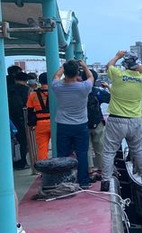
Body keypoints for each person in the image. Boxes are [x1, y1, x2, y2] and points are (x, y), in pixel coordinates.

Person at [101, 50, 142, 192]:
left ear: (125, 65)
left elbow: (109, 66)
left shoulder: (118, 75)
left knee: (109, 152)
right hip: (135, 120)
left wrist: (117, 56)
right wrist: (135, 60)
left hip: (117, 120)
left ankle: (105, 181)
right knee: (139, 150)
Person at [51, 59, 94, 188]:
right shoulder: (84, 87)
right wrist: (85, 66)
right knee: (82, 153)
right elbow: (91, 76)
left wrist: (63, 67)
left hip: (63, 125)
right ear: (77, 73)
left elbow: (56, 76)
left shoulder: (57, 87)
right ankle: (84, 181)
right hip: (81, 125)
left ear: (65, 72)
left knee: (62, 154)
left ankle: (64, 181)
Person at [84, 69, 111, 179]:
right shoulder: (98, 92)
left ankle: (90, 170)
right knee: (100, 147)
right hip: (98, 122)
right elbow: (110, 99)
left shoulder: (79, 90)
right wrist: (107, 88)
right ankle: (102, 170)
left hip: (83, 122)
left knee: (86, 148)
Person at [26, 72, 52, 160]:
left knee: (42, 148)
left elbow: (29, 111)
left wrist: (30, 124)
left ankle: (43, 170)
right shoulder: (54, 92)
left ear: (39, 81)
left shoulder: (33, 95)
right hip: (54, 123)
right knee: (58, 146)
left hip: (40, 124)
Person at [8, 71, 31, 169]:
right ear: (26, 80)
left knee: (12, 140)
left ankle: (12, 161)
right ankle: (22, 161)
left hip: (9, 119)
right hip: (22, 118)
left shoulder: (8, 89)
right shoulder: (26, 90)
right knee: (23, 141)